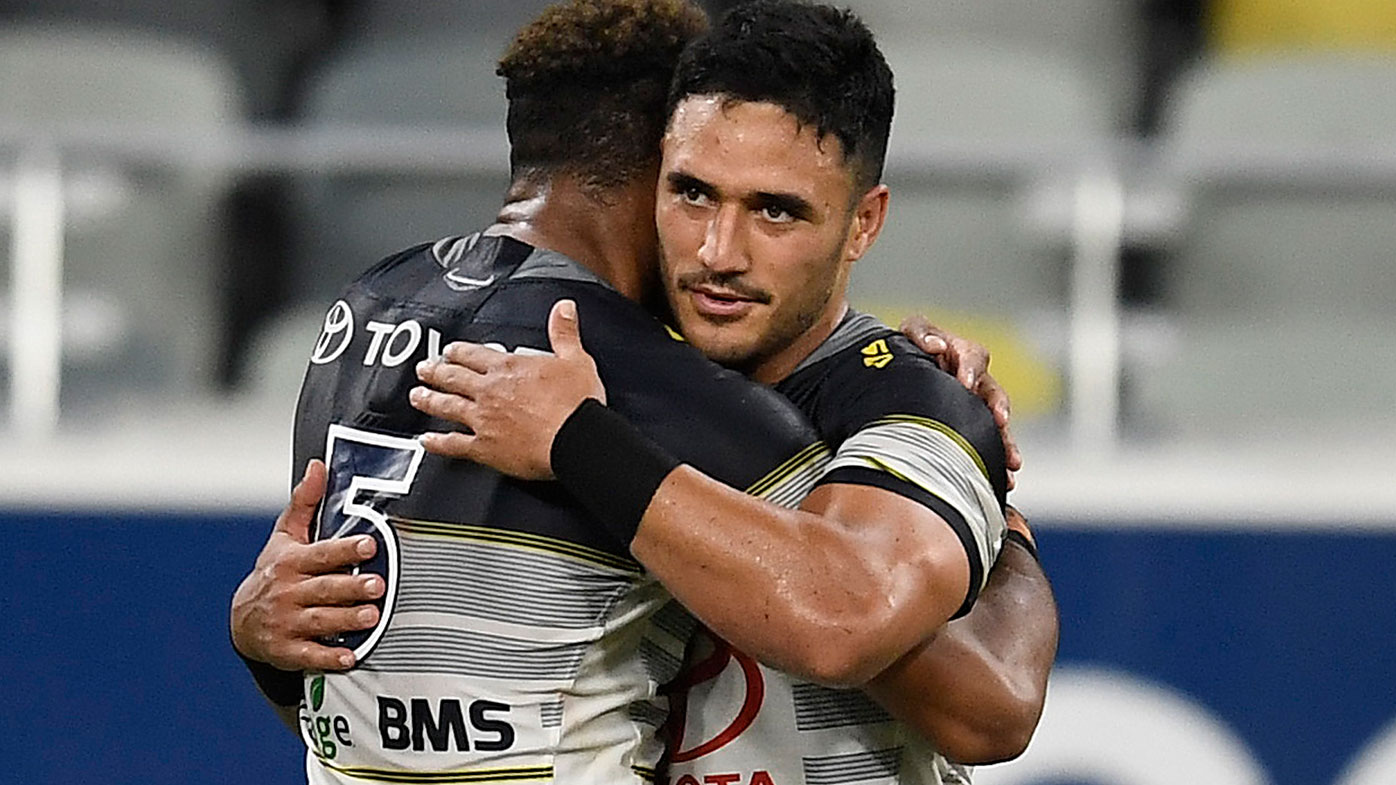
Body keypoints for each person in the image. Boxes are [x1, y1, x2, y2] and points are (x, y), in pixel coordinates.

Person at [230, 1, 1053, 782]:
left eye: (775, 211)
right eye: (693, 193)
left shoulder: (906, 400)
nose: (718, 250)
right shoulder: (580, 371)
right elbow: (424, 720)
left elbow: (990, 708)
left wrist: (1001, 525)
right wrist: (272, 650)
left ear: (863, 223)